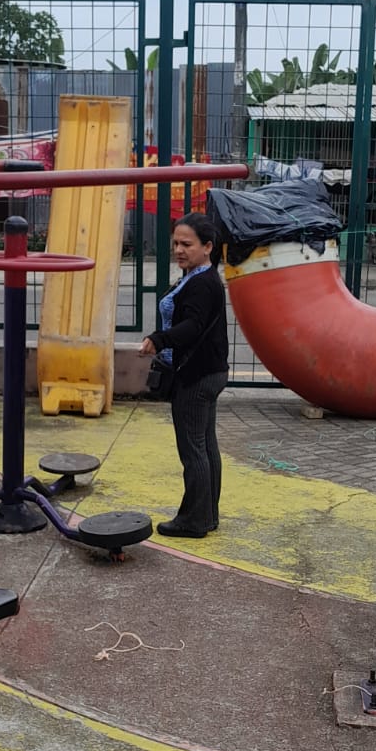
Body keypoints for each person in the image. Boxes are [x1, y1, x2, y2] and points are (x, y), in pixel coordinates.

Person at [139, 213, 229, 538]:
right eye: (176, 243)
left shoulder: (203, 283)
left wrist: (159, 339)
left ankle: (193, 520)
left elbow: (193, 326)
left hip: (195, 376)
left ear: (208, 247)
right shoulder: (198, 276)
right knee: (205, 446)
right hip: (208, 372)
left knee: (193, 450)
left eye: (187, 244)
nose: (178, 250)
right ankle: (208, 515)